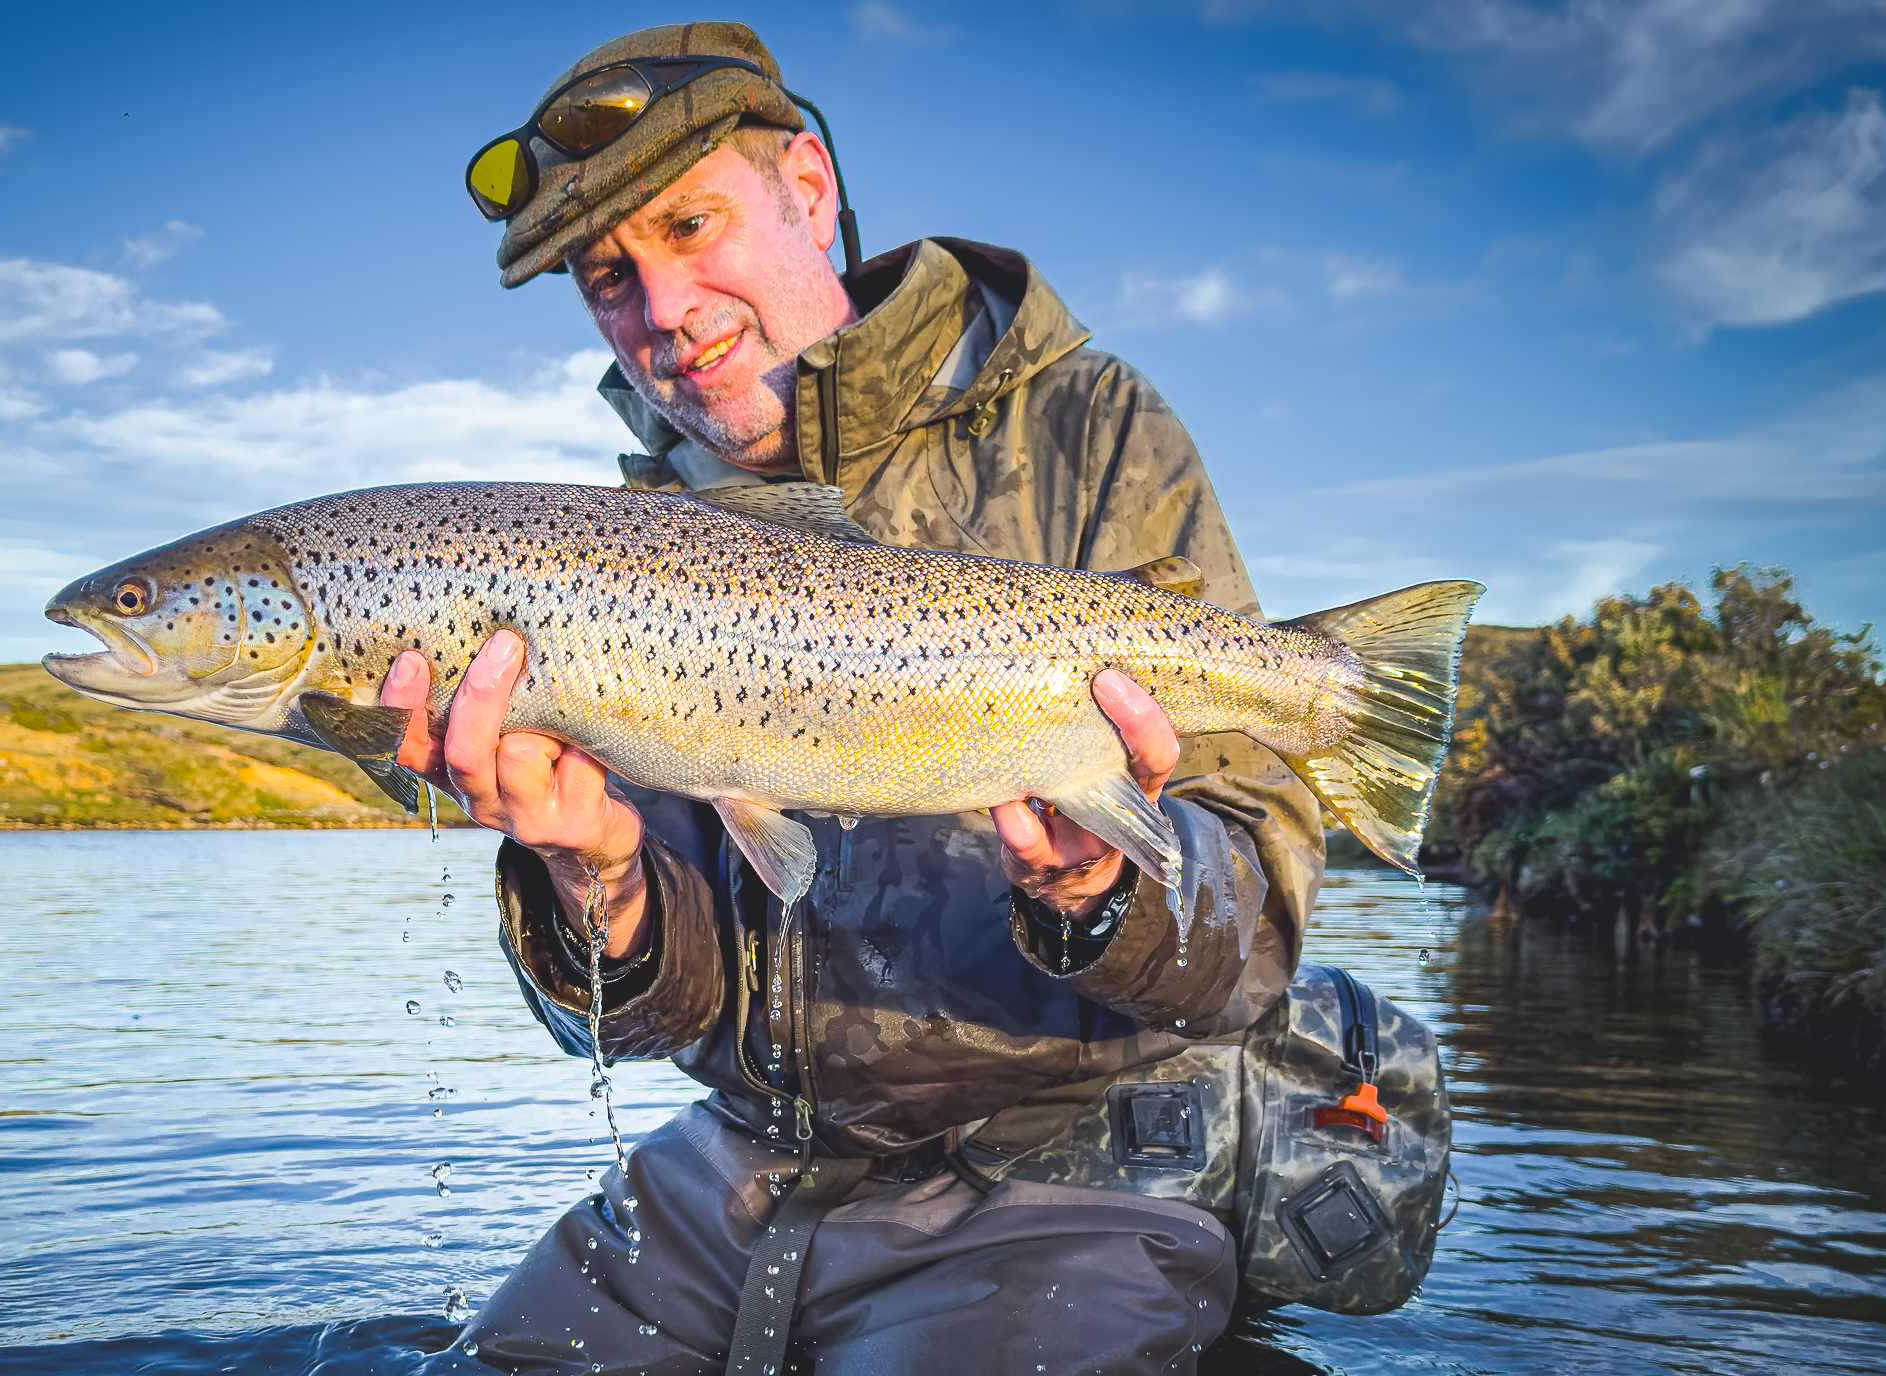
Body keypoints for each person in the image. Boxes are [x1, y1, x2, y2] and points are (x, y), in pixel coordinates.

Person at [382, 22, 1323, 1376]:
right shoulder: (616, 552)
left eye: (692, 226)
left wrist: (1094, 888)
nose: (663, 310)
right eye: (607, 279)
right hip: (734, 1175)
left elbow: (1253, 956)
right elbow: (646, 1018)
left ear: (809, 190)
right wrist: (597, 874)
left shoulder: (1088, 426)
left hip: (1062, 1188)